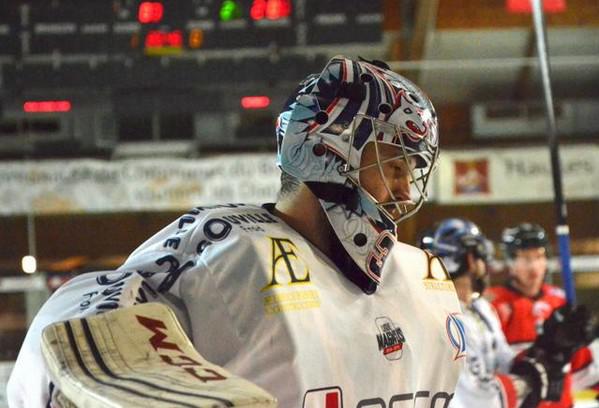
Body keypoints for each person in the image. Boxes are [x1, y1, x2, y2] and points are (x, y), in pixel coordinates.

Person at [8, 56, 465, 407]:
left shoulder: (420, 278)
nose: (405, 189)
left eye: (412, 168)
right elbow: (75, 332)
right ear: (331, 149)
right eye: (394, 163)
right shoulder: (228, 249)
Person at [420, 218, 595, 408]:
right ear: (471, 259)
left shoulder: (480, 309)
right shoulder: (447, 319)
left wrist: (547, 346)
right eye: (526, 258)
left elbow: (505, 362)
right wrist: (531, 380)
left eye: (538, 257)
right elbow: (476, 398)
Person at [486, 223, 599, 407]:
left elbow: (578, 362)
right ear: (511, 263)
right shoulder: (492, 304)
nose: (533, 266)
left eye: (538, 256)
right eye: (525, 258)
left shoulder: (559, 301)